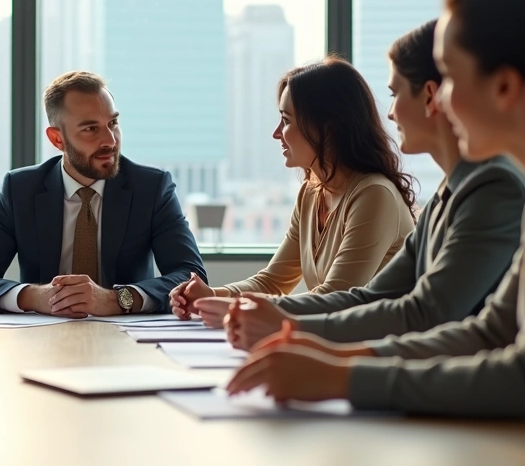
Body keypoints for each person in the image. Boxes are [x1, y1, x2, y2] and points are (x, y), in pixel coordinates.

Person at [225, 0, 525, 466]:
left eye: (448, 76)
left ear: (505, 87)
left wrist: (341, 378)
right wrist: (336, 361)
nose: (440, 99)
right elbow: (490, 330)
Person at [192, 21, 525, 344]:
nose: (391, 113)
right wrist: (233, 303)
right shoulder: (446, 194)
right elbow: (373, 298)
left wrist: (289, 331)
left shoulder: (488, 188)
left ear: (430, 96)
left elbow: (422, 313)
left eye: (395, 94)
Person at [171, 58, 416, 321]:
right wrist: (210, 296)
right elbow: (272, 281)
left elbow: (336, 297)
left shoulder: (374, 195)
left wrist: (237, 310)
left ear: (328, 128)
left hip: (377, 350)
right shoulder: (311, 193)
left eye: (286, 121)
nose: (277, 133)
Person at [0, 71, 206, 315]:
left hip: (128, 335)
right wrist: (37, 297)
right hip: (41, 335)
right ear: (57, 139)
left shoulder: (151, 188)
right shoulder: (22, 189)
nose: (110, 140)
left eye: (113, 123)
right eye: (90, 129)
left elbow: (191, 275)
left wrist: (116, 300)